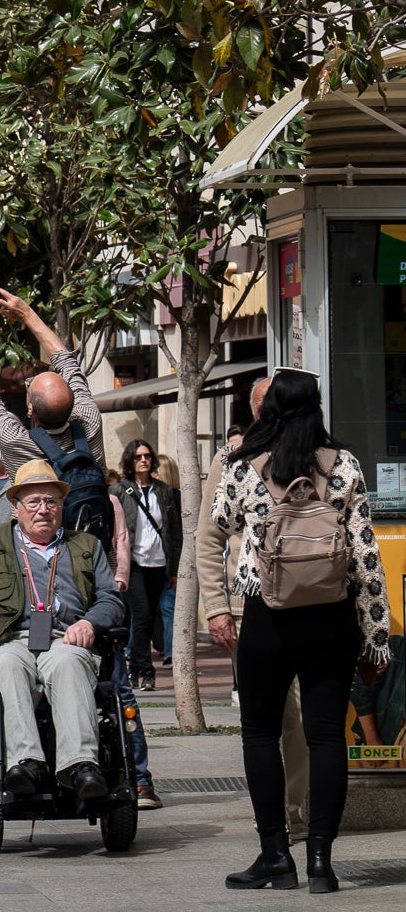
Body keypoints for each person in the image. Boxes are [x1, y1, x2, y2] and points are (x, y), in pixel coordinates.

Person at [211, 369, 390, 895]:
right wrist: (375, 638)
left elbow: (221, 518)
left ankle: (274, 856)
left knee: (261, 733)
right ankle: (321, 862)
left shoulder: (244, 464)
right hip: (332, 616)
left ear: (270, 410)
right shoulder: (345, 466)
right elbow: (367, 559)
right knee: (327, 735)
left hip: (266, 614)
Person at [0, 461, 125, 802]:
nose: (43, 510)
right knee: (8, 664)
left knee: (69, 663)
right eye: (33, 502)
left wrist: (90, 622)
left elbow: (111, 599)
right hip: (6, 640)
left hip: (65, 638)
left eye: (51, 502)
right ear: (15, 507)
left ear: (62, 507)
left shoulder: (86, 546)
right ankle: (26, 762)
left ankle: (80, 766)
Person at [200, 374, 311, 841]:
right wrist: (216, 606)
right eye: (266, 406)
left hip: (313, 605)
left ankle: (299, 809)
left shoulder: (318, 458)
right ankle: (278, 814)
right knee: (271, 717)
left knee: (305, 719)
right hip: (252, 608)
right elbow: (209, 537)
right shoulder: (233, 460)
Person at [0, 291, 102, 485]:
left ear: (31, 410)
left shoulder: (13, 440)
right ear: (73, 403)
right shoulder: (90, 420)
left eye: (29, 386)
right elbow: (67, 362)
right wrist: (27, 313)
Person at [113, 439, 181, 693]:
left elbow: (174, 531)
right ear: (130, 461)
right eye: (138, 456)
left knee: (149, 618)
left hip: (158, 563)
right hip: (133, 563)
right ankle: (145, 671)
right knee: (140, 615)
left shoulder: (163, 491)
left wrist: (173, 568)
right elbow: (114, 530)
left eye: (147, 456)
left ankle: (135, 671)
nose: (144, 460)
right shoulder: (120, 490)